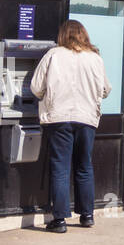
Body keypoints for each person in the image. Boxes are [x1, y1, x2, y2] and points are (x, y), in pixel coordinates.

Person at [30, 19, 112, 233]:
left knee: (60, 167)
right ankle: (87, 216)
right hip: (86, 119)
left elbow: (36, 87)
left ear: (63, 35)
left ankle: (59, 221)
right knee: (84, 166)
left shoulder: (53, 55)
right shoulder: (95, 59)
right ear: (84, 35)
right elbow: (106, 89)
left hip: (59, 118)